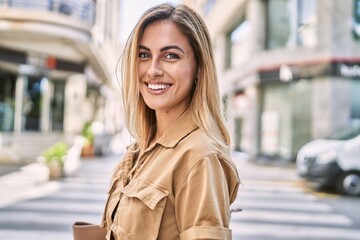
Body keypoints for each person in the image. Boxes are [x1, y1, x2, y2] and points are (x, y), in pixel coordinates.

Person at [100, 3, 240, 240]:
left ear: (198, 68)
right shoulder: (139, 149)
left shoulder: (199, 157)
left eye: (170, 56)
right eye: (144, 55)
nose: (153, 70)